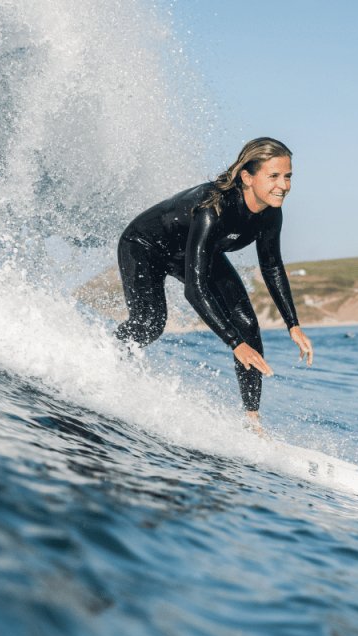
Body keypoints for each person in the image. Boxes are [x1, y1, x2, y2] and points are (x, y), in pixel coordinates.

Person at [113, 137, 313, 432]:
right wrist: (235, 344)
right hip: (145, 246)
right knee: (150, 322)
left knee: (247, 322)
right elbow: (194, 288)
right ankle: (108, 357)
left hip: (194, 251)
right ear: (247, 177)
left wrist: (292, 324)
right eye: (274, 176)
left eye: (287, 176)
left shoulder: (271, 212)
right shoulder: (213, 207)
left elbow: (271, 265)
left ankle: (252, 421)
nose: (283, 185)